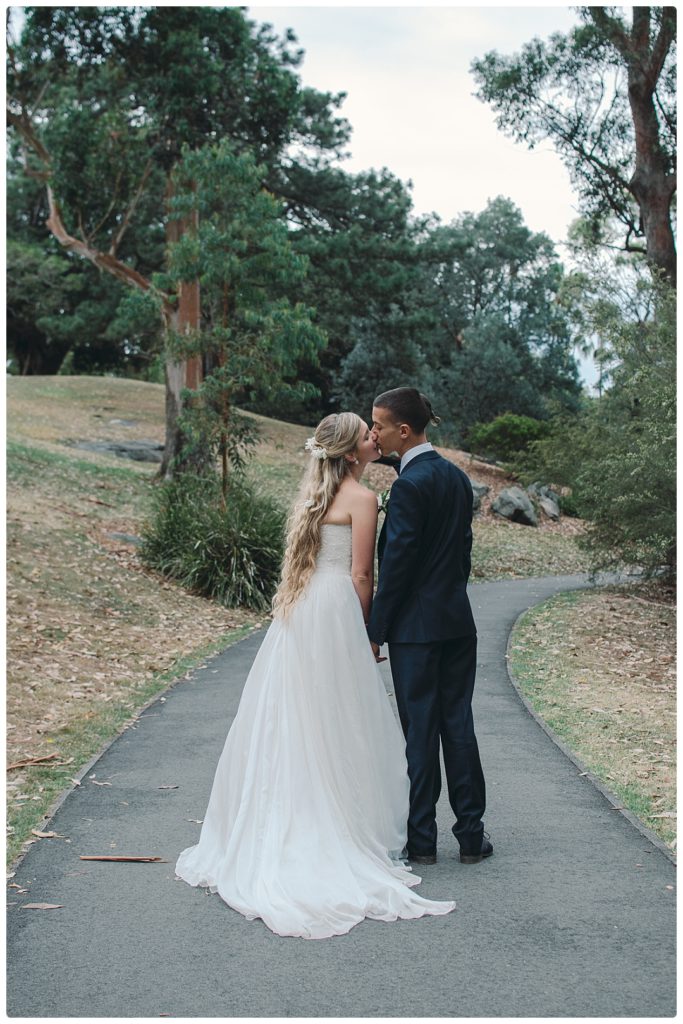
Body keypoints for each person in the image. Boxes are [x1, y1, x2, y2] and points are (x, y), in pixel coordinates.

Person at [175, 412, 456, 939]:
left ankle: (279, 818)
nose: (376, 437)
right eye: (367, 434)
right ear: (353, 453)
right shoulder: (363, 500)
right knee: (339, 715)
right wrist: (369, 634)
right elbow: (361, 574)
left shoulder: (314, 495)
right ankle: (334, 824)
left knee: (292, 713)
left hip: (301, 611)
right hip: (336, 612)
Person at [368, 388, 491, 866]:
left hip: (416, 633)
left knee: (420, 730)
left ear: (403, 430)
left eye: (377, 424)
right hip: (457, 622)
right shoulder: (458, 479)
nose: (372, 432)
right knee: (458, 723)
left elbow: (396, 565)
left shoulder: (408, 486)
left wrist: (376, 629)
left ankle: (422, 842)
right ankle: (471, 836)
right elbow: (463, 554)